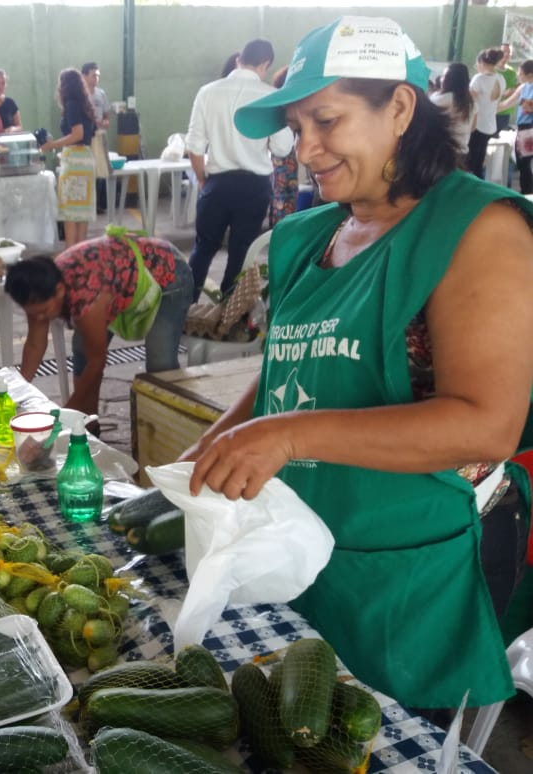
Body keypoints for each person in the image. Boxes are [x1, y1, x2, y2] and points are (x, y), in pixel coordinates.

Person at [190, 15, 533, 714]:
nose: (305, 149)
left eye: (326, 121)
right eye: (296, 128)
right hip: (304, 545)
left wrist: (287, 436)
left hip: (416, 566)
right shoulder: (307, 235)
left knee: (375, 743)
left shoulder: (476, 229)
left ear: (400, 108)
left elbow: (487, 425)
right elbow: (288, 367)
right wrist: (217, 440)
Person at [5, 232, 193, 423]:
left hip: (168, 272)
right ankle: (89, 424)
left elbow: (97, 361)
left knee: (160, 365)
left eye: (43, 311)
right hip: (117, 278)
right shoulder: (37, 291)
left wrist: (66, 416)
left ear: (59, 291)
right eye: (33, 313)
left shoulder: (86, 296)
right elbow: (35, 345)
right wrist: (14, 398)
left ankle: (176, 426)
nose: (39, 318)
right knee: (82, 349)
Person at [185, 39, 294, 300]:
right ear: (265, 64)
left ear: (238, 60)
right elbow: (282, 147)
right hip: (254, 188)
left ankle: (183, 306)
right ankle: (228, 312)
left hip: (216, 184)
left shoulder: (207, 92)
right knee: (241, 251)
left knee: (203, 248)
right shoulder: (270, 97)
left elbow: (194, 146)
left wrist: (203, 180)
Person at [40, 68, 96, 249]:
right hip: (87, 158)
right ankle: (81, 254)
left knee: (70, 212)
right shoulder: (86, 105)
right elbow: (88, 135)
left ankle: (70, 253)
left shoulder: (71, 105)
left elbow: (77, 134)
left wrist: (52, 145)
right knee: (82, 212)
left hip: (73, 162)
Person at [268, 66, 299, 227]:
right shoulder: (286, 109)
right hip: (284, 162)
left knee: (278, 199)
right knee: (284, 200)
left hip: (277, 163)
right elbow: (283, 146)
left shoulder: (278, 107)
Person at [468, 48, 506, 177]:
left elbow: (471, 104)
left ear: (481, 62)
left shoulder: (479, 79)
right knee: (479, 162)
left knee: (470, 163)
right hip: (491, 126)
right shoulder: (501, 79)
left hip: (476, 126)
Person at [498, 59, 533, 194]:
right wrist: (488, 109)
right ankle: (526, 191)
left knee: (525, 162)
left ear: (530, 75)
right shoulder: (523, 87)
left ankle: (527, 192)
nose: (518, 75)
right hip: (522, 129)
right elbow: (507, 103)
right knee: (522, 162)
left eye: (521, 73)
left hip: (530, 128)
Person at [429, 62, 475, 160]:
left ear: (451, 80)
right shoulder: (471, 102)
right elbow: (473, 127)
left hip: (442, 153)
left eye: (444, 76)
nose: (441, 79)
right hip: (462, 152)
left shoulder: (441, 100)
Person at [82, 62, 111, 213]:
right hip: (85, 137)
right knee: (87, 169)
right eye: (93, 75)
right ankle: (88, 202)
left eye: (98, 76)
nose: (96, 79)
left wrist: (105, 122)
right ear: (84, 76)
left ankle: (99, 203)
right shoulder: (79, 95)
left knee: (100, 169)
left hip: (99, 136)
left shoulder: (101, 94)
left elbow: (106, 115)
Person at [496, 42, 519, 133]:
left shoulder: (512, 71)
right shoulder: (491, 69)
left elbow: (515, 87)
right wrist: (503, 93)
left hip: (506, 111)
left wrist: (515, 90)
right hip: (492, 111)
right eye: (504, 51)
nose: (506, 54)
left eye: (509, 52)